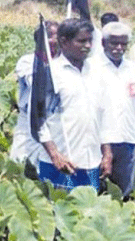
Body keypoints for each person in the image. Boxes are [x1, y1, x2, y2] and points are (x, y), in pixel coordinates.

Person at [37, 18, 106, 191]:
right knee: (58, 213)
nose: (88, 46)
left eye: (90, 41)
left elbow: (103, 115)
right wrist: (54, 154)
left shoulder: (95, 72)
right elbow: (37, 119)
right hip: (60, 162)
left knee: (87, 211)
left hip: (91, 161)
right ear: (64, 42)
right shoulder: (50, 72)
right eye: (82, 41)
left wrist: (107, 152)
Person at [97, 22, 135, 196]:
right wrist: (105, 150)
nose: (119, 48)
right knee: (97, 190)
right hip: (99, 140)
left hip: (127, 138)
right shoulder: (92, 67)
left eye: (123, 44)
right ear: (103, 43)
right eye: (114, 43)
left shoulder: (132, 68)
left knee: (122, 194)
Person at [9, 21, 59, 168]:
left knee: (50, 164)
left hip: (54, 120)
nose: (55, 41)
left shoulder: (64, 63)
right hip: (30, 120)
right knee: (20, 161)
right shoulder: (27, 61)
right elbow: (36, 82)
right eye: (51, 36)